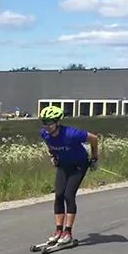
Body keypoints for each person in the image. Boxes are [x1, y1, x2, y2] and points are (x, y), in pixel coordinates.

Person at [38, 105, 99, 246]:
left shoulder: (71, 134)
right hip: (63, 165)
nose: (46, 126)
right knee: (58, 195)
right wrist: (54, 156)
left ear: (57, 122)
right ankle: (58, 230)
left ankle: (68, 232)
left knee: (68, 195)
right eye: (44, 122)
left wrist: (94, 158)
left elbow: (94, 138)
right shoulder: (44, 133)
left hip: (79, 165)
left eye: (49, 122)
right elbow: (51, 145)